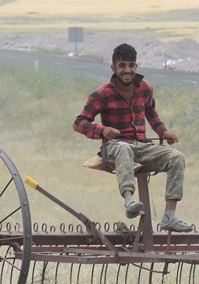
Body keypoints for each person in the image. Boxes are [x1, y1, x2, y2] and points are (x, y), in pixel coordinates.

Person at [74, 43, 193, 232]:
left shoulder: (145, 88)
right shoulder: (102, 94)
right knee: (124, 148)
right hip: (116, 146)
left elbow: (151, 112)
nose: (127, 70)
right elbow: (79, 122)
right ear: (113, 68)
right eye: (122, 66)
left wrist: (163, 132)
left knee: (176, 157)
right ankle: (129, 201)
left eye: (131, 65)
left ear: (136, 66)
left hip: (141, 145)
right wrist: (102, 130)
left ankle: (169, 216)